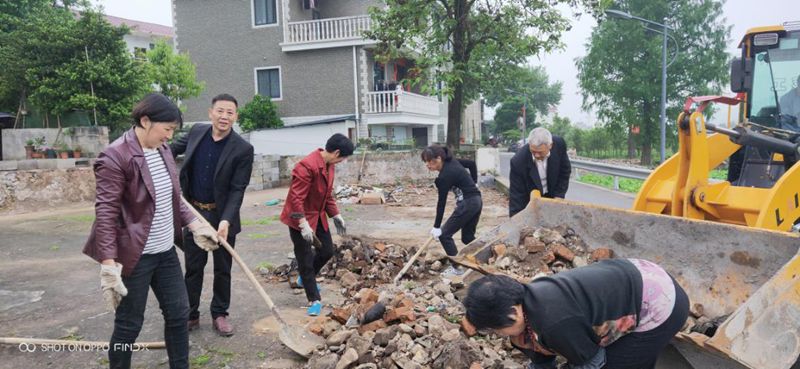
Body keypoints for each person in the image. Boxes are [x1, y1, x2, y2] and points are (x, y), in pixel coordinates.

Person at [83, 93, 220, 369]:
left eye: (173, 130)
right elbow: (106, 213)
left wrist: (194, 225)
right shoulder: (115, 157)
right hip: (134, 257)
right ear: (145, 121)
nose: (170, 136)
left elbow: (173, 197)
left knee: (179, 314)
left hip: (164, 251)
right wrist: (109, 266)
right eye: (167, 129)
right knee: (129, 325)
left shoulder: (164, 151)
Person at [464, 258, 689, 369]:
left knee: (618, 365)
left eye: (496, 328)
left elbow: (592, 362)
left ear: (513, 313)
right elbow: (541, 360)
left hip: (658, 300)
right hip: (632, 276)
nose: (498, 334)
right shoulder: (524, 307)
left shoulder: (554, 322)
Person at [170, 93, 254, 336]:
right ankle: (190, 314)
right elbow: (169, 149)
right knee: (193, 268)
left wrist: (226, 220)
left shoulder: (243, 149)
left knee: (222, 269)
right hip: (194, 215)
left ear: (236, 116)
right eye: (220, 111)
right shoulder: (197, 132)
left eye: (230, 112)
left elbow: (238, 189)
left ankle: (220, 313)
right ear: (210, 112)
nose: (224, 116)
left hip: (222, 218)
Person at [280, 133, 354, 316]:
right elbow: (296, 198)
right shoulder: (306, 166)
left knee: (327, 250)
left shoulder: (329, 166)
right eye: (343, 158)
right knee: (304, 258)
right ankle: (314, 299)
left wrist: (336, 214)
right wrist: (302, 223)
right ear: (337, 153)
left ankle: (305, 279)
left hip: (318, 216)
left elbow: (327, 195)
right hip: (300, 219)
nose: (343, 161)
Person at [421, 145, 482, 275]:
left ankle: (457, 268)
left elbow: (441, 203)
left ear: (438, 158)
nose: (427, 165)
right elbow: (471, 164)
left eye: (429, 161)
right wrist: (474, 183)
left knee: (444, 235)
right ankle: (485, 257)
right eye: (425, 162)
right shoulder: (452, 161)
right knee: (467, 238)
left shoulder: (444, 176)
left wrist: (437, 227)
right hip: (477, 201)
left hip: (467, 204)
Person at [509, 127, 571, 217]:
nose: (537, 155)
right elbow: (517, 195)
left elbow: (565, 171)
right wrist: (516, 221)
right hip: (530, 200)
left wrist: (559, 195)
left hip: (553, 194)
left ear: (550, 145)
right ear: (529, 144)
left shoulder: (559, 145)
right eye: (533, 152)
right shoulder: (518, 161)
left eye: (540, 152)